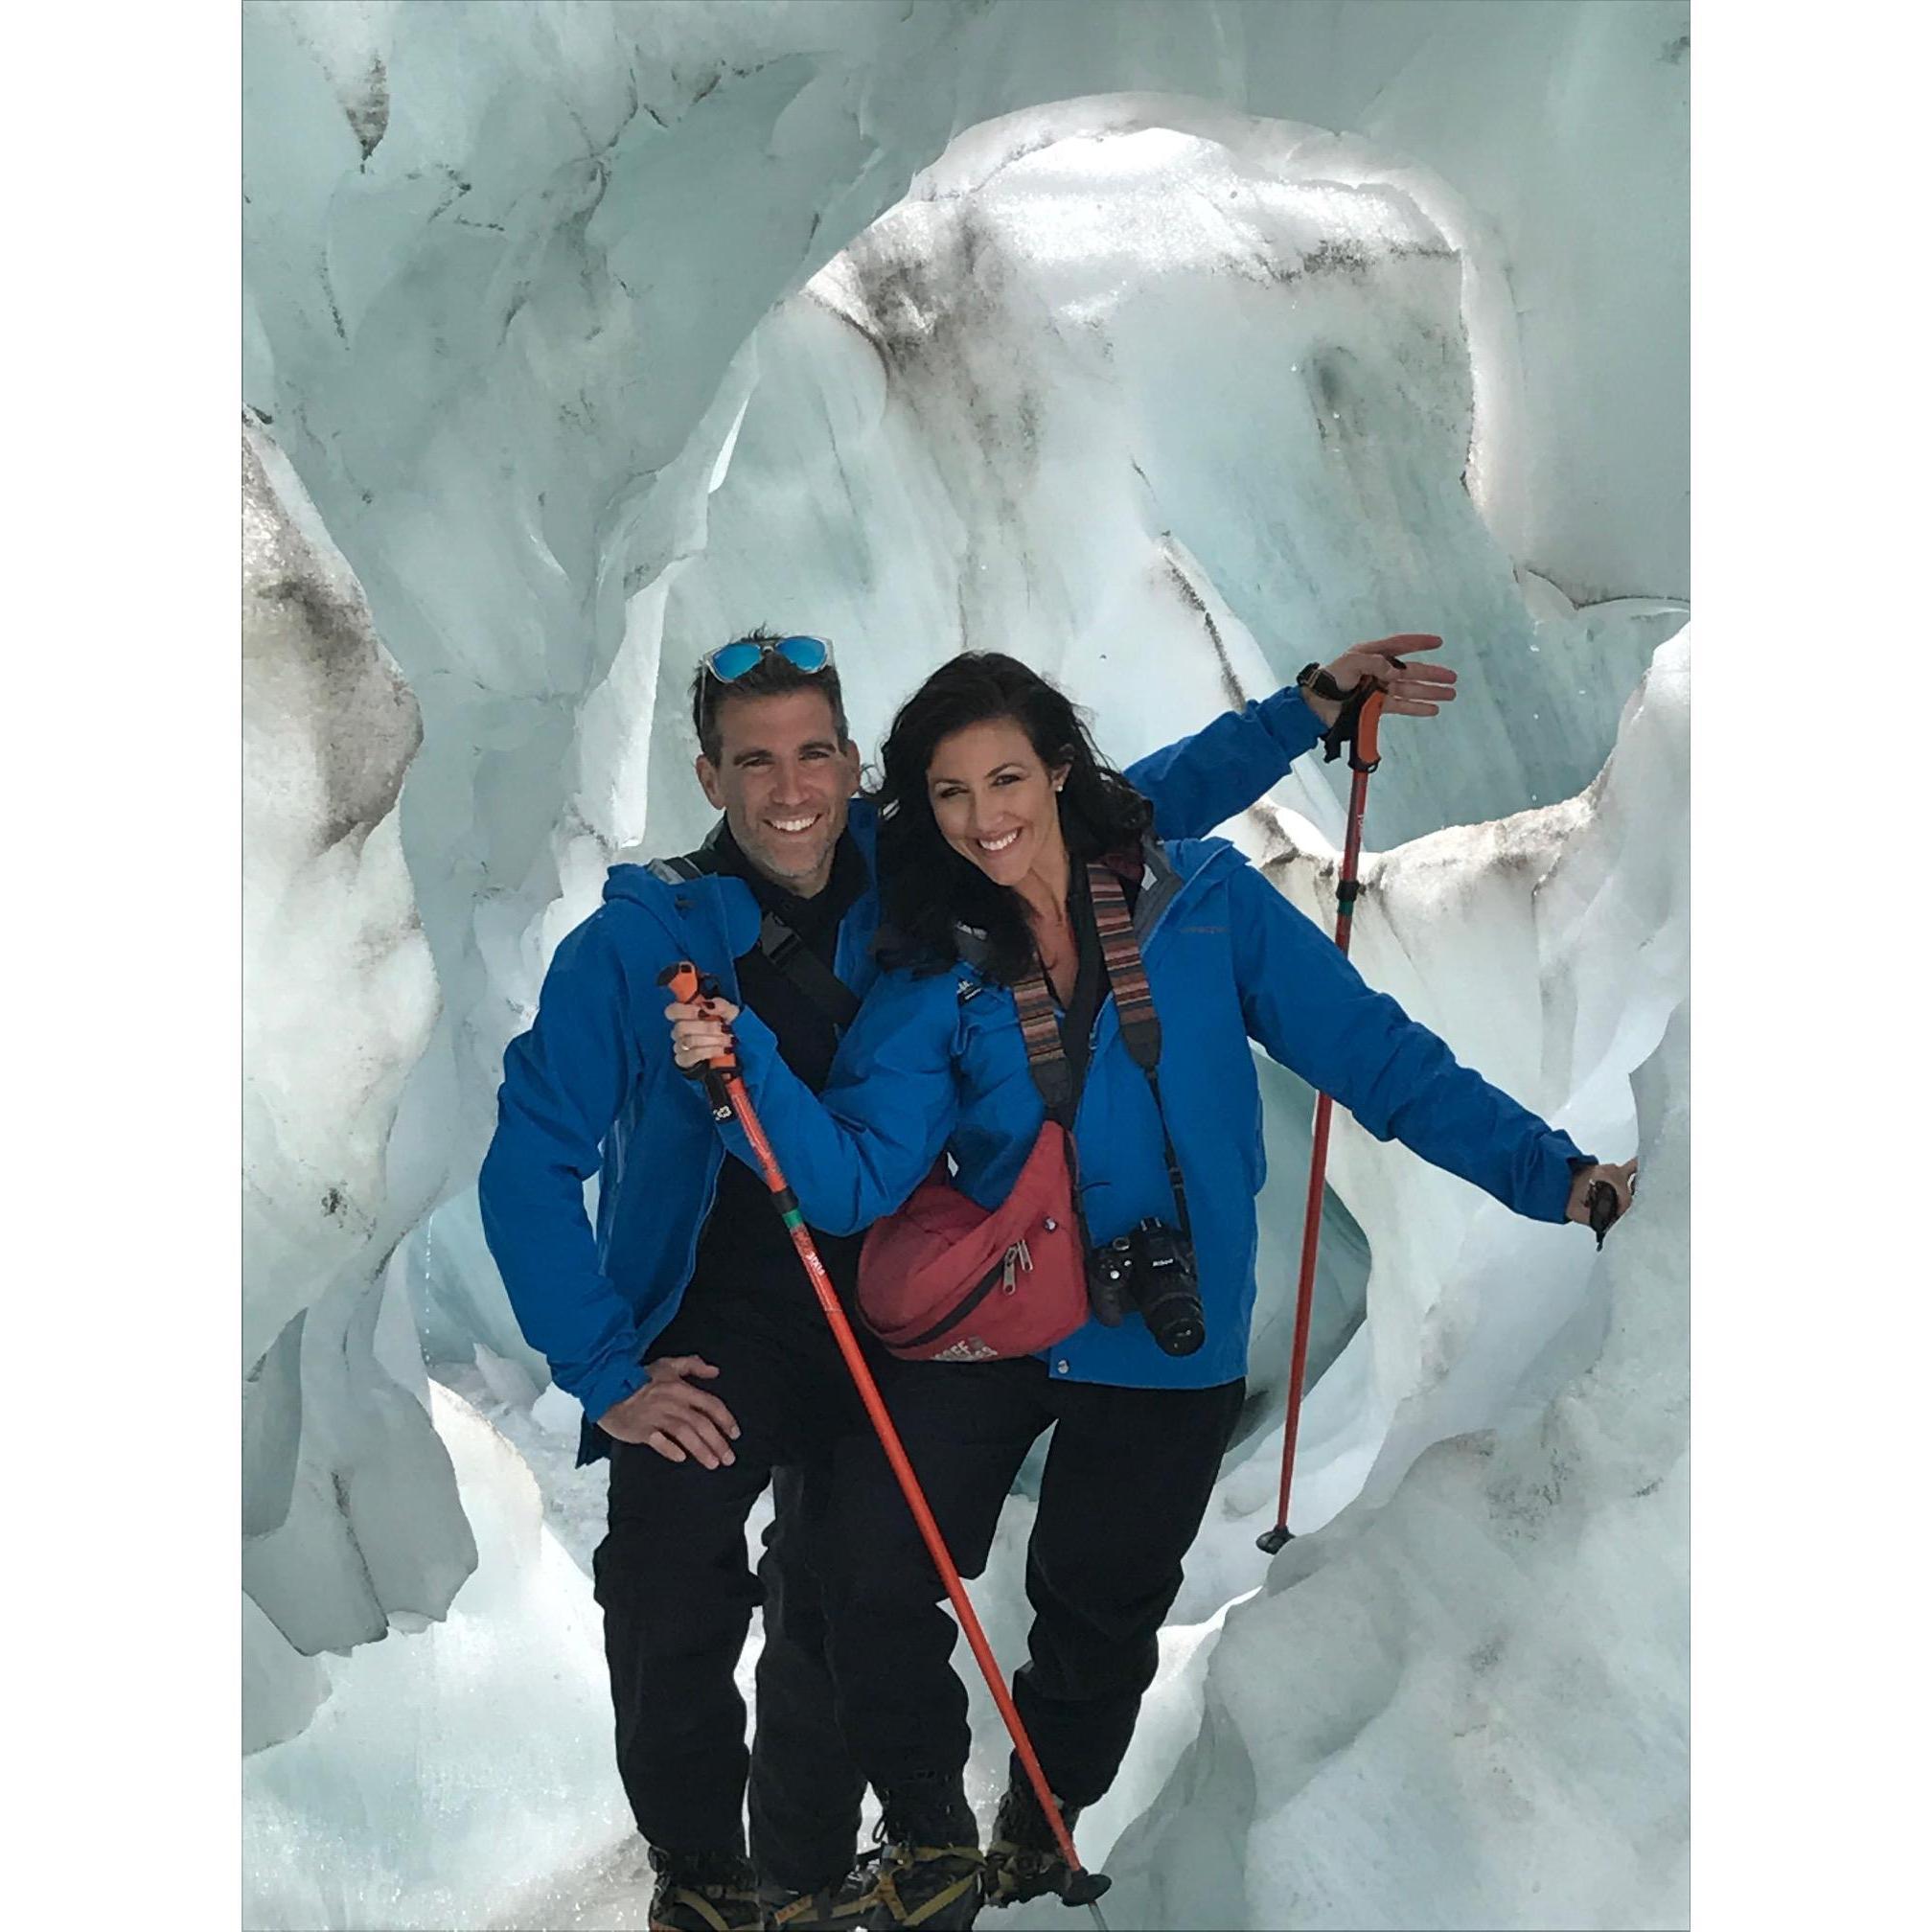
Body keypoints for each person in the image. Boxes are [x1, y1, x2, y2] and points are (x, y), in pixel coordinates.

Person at [479, 629, 1458, 1932]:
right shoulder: (648, 940)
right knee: (666, 1551)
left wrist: (1302, 715)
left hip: (913, 1279)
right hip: (732, 1297)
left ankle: (813, 1878)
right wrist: (606, 1374)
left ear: (847, 762)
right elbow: (528, 1161)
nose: (790, 789)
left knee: (830, 1574)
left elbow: (1104, 812)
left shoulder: (908, 862)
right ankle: (705, 1879)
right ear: (709, 778)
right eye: (754, 761)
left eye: (815, 752)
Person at [666, 652, 1637, 1930]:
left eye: (1007, 776)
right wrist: (736, 1079)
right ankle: (929, 1842)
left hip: (1165, 1336)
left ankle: (1034, 1829)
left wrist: (1555, 1176)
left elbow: (1381, 1063)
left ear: (1062, 772)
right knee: (860, 1568)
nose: (983, 815)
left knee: (1097, 1620)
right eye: (949, 794)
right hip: (999, 1323)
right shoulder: (931, 974)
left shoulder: (1204, 907)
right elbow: (847, 1183)